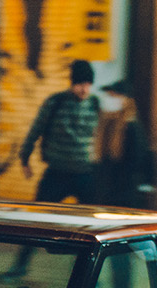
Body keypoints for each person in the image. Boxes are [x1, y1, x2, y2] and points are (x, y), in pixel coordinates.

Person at [19, 60, 101, 203]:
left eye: (88, 85)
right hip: (58, 171)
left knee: (90, 216)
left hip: (85, 172)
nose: (84, 90)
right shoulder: (55, 102)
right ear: (72, 83)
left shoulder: (95, 104)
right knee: (42, 211)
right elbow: (35, 130)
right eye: (80, 84)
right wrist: (25, 158)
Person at [94, 81, 155, 210]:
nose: (110, 100)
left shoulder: (132, 127)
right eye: (109, 96)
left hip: (124, 195)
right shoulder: (106, 124)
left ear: (125, 100)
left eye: (114, 96)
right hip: (107, 193)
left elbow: (139, 160)